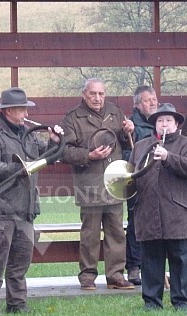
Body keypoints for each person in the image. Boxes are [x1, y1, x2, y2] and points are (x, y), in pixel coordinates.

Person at [0, 87, 63, 314]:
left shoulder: (28, 133)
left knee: (20, 262)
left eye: (26, 108)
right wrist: (17, 169)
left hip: (25, 209)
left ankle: (17, 305)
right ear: (8, 111)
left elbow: (44, 157)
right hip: (2, 209)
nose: (25, 113)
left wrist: (54, 142)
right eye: (21, 109)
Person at [61, 78, 135, 291]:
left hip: (115, 182)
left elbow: (127, 141)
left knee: (116, 233)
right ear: (84, 94)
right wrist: (88, 155)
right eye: (93, 94)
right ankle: (87, 276)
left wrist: (129, 129)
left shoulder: (116, 112)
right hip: (90, 184)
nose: (97, 98)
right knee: (90, 235)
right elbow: (64, 152)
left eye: (101, 94)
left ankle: (116, 276)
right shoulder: (72, 118)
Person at [129, 103, 187, 310]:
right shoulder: (141, 146)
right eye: (160, 121)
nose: (164, 125)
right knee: (151, 261)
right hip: (147, 212)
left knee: (180, 260)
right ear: (155, 124)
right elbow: (131, 175)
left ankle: (182, 302)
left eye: (168, 121)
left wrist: (168, 157)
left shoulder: (184, 144)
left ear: (176, 124)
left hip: (177, 213)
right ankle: (152, 302)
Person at [125, 86, 158, 285]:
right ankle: (134, 267)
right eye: (148, 100)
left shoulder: (162, 123)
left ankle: (153, 267)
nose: (153, 103)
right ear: (137, 105)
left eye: (154, 99)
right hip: (138, 179)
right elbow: (128, 154)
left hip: (159, 181)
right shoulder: (131, 126)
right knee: (136, 223)